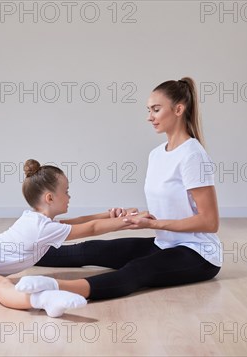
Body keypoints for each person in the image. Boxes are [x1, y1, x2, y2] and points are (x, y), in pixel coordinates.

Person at [15, 77, 222, 300]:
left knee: (137, 270)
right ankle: (1, 252)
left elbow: (209, 222)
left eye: (156, 109)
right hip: (165, 244)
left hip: (199, 254)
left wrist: (152, 224)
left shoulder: (193, 156)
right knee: (93, 249)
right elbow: (173, 205)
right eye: (149, 110)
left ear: (179, 109)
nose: (149, 117)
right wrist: (138, 216)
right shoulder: (157, 154)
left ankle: (54, 290)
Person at [0, 159, 150, 317]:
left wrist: (111, 215)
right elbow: (91, 228)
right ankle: (43, 300)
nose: (69, 196)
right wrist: (131, 222)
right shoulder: (42, 228)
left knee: (0, 273)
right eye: (66, 191)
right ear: (49, 197)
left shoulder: (39, 221)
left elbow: (82, 221)